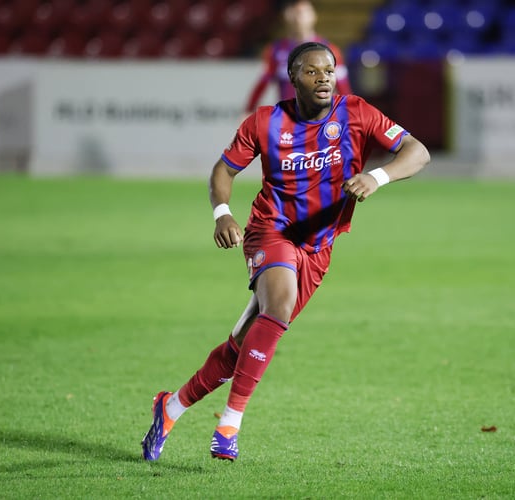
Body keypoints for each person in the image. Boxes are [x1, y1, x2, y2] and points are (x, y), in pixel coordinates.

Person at [142, 41, 430, 462]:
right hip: (271, 230)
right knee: (279, 304)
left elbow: (418, 153)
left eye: (329, 70)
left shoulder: (357, 113)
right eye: (312, 71)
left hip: (319, 246)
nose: (323, 78)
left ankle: (170, 407)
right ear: (293, 78)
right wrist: (222, 213)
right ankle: (229, 425)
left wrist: (378, 177)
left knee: (242, 346)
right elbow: (224, 169)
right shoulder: (265, 122)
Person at [244, 0, 352, 114]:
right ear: (286, 15)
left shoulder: (330, 50)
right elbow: (262, 84)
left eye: (303, 12)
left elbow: (343, 86)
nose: (299, 17)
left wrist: (350, 112)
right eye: (295, 11)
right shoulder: (275, 50)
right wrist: (248, 111)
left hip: (320, 122)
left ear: (313, 15)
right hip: (287, 120)